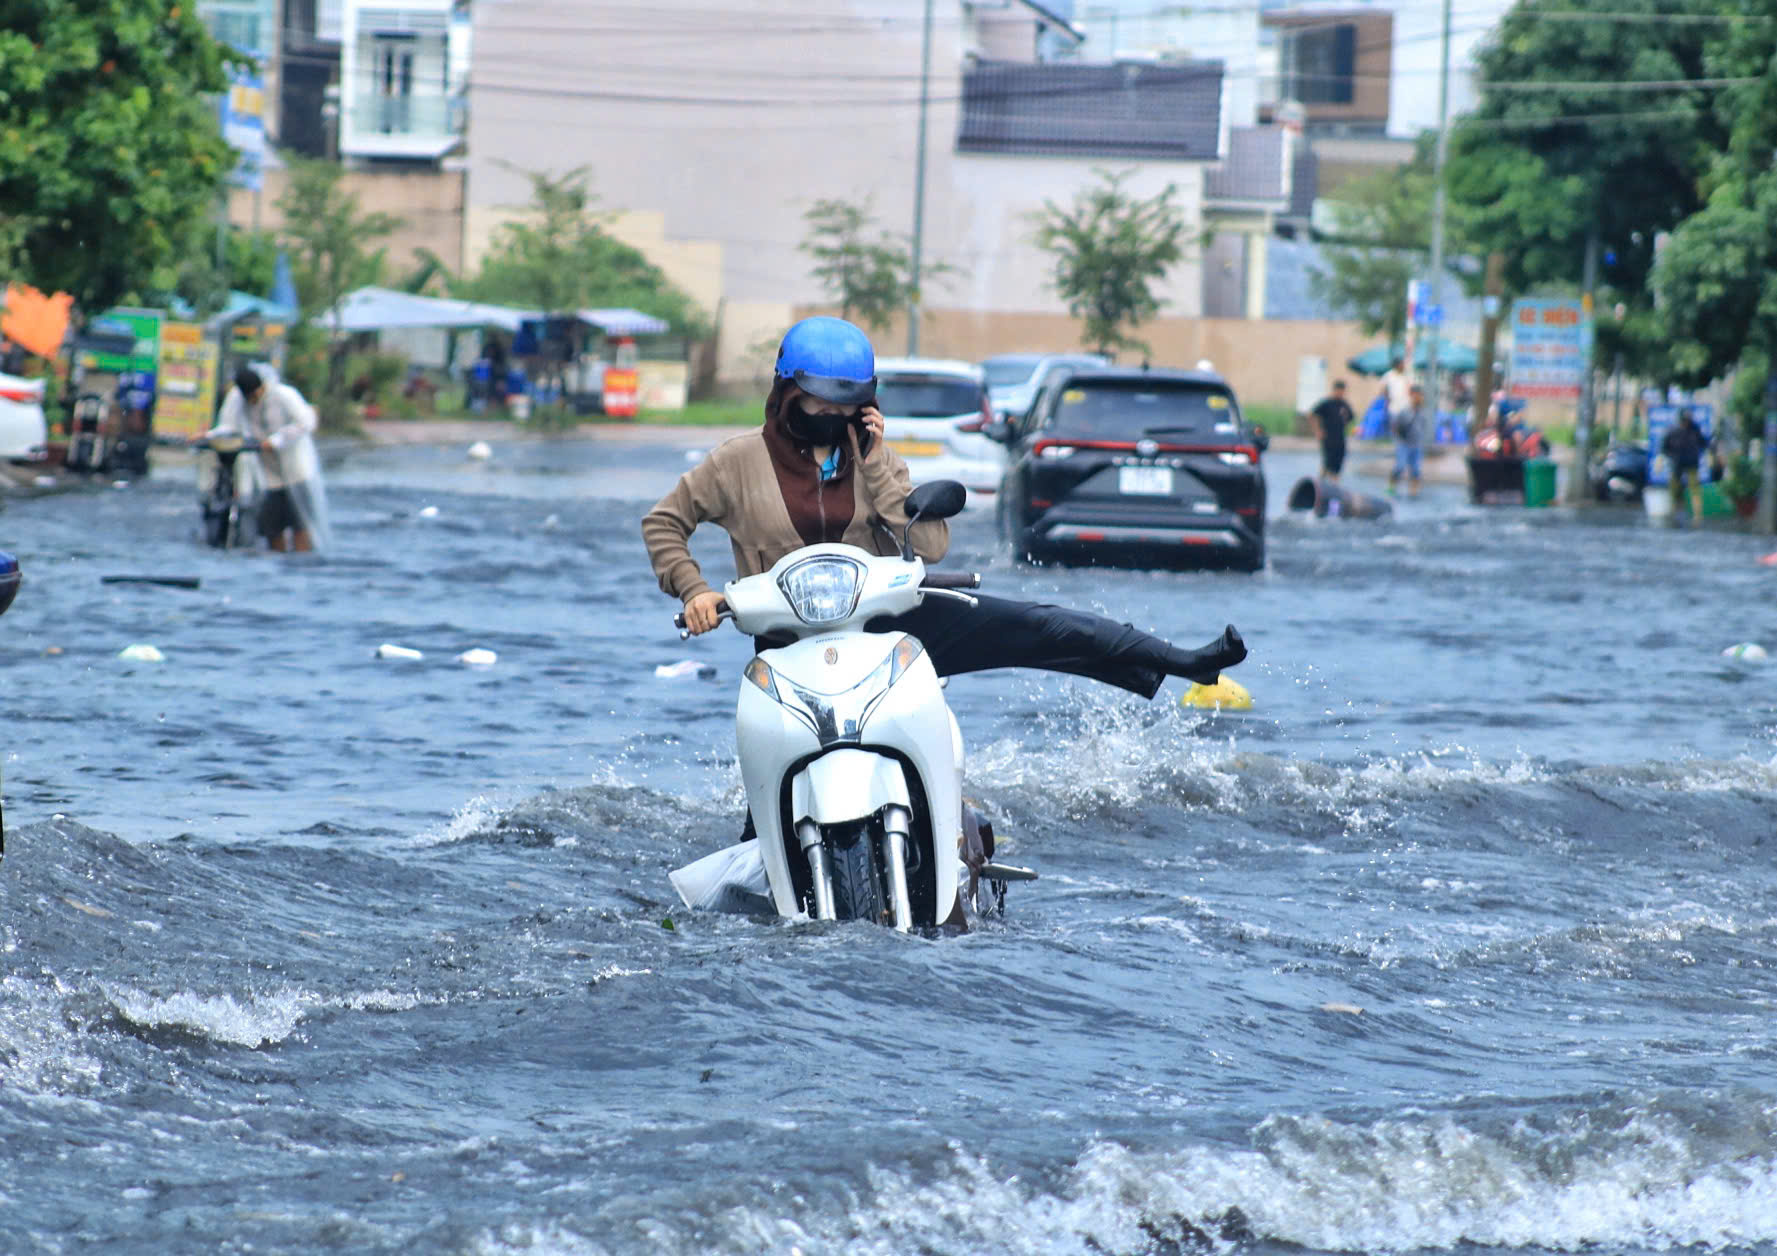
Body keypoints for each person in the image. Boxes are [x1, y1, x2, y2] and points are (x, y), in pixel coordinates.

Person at [643, 315, 1246, 696]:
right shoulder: (736, 462)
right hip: (786, 646)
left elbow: (930, 547)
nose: (830, 419)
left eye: (844, 407)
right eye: (816, 405)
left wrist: (875, 460)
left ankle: (1181, 660)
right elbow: (664, 523)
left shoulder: (872, 453)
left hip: (888, 628)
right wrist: (695, 589)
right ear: (784, 394)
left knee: (1044, 624)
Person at [208, 364, 332, 552]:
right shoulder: (239, 399)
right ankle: (278, 561)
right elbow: (229, 426)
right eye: (249, 398)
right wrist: (209, 436)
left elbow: (307, 421)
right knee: (272, 526)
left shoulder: (283, 395)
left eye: (255, 396)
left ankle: (301, 562)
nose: (253, 401)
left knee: (300, 523)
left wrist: (277, 440)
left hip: (297, 470)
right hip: (270, 476)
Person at [1661, 408, 1707, 525]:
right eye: (1685, 420)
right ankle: (1672, 513)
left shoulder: (1694, 429)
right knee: (1674, 490)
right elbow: (1664, 447)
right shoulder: (1673, 431)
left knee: (1694, 489)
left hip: (1691, 463)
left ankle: (1697, 516)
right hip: (1677, 463)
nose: (1686, 422)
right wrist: (1671, 457)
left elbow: (1703, 443)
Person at [1389, 382, 1429, 498]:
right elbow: (1395, 426)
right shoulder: (1404, 411)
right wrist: (1399, 438)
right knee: (1400, 466)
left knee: (1416, 469)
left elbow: (1423, 427)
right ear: (1411, 395)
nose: (1418, 398)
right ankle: (1392, 486)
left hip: (1416, 444)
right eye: (1416, 395)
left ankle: (1413, 491)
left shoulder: (1423, 412)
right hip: (1404, 443)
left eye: (1420, 395)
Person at [1310, 379, 1354, 482]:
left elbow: (1350, 418)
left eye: (1343, 391)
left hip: (1340, 438)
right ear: (1335, 390)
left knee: (1337, 464)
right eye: (1339, 390)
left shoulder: (1344, 404)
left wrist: (1345, 420)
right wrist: (1318, 431)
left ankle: (1329, 485)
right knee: (1328, 463)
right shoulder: (1327, 403)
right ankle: (1324, 485)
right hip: (1328, 438)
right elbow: (1312, 415)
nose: (1341, 393)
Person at [1379, 355, 1412, 436]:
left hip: (1405, 405)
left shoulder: (1407, 376)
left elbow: (1410, 389)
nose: (1403, 366)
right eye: (1401, 364)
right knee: (1394, 425)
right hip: (1393, 405)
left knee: (1406, 425)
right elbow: (1383, 389)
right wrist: (1387, 399)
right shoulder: (1389, 375)